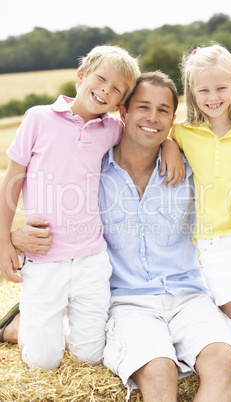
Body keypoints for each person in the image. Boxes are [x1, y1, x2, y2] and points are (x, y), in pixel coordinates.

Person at [5, 72, 231, 402]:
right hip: (126, 302)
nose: (152, 117)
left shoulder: (189, 167)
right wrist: (12, 236)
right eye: (143, 107)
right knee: (160, 371)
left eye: (163, 110)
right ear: (123, 113)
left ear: (172, 120)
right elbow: (46, 198)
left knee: (221, 361)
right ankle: (26, 322)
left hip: (189, 294)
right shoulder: (92, 170)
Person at [0, 45, 142, 369]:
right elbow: (10, 182)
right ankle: (18, 325)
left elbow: (148, 139)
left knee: (90, 357)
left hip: (92, 259)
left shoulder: (113, 130)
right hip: (44, 259)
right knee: (43, 363)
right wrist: (4, 241)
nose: (106, 89)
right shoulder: (38, 118)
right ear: (81, 76)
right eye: (101, 78)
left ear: (120, 100)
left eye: (117, 88)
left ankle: (44, 323)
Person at [170, 43, 231, 347]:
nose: (213, 97)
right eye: (204, 91)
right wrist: (170, 149)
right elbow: (161, 137)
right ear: (191, 92)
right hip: (215, 246)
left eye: (221, 88)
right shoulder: (181, 133)